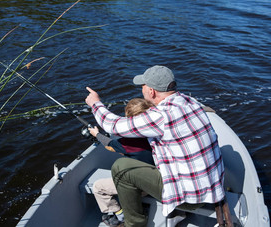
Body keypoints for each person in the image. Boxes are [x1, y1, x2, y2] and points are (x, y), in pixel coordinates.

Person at [85, 65, 225, 227]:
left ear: (151, 91)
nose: (142, 90)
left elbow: (111, 125)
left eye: (143, 86)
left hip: (191, 199)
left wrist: (95, 103)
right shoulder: (189, 101)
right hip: (213, 189)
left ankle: (134, 223)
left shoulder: (161, 116)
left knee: (121, 167)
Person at [89, 98, 155, 227]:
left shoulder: (129, 142)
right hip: (155, 183)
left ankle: (119, 213)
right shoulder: (157, 135)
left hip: (140, 188)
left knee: (98, 187)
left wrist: (96, 134)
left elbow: (109, 145)